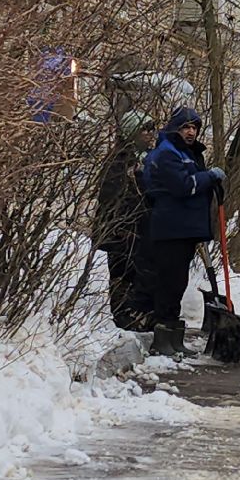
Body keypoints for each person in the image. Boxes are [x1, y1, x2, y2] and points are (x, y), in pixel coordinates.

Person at [136, 105, 227, 356]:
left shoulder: (185, 152)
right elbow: (183, 186)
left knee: (177, 283)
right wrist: (209, 177)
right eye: (186, 127)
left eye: (195, 127)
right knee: (169, 283)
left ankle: (173, 338)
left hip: (184, 228)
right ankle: (164, 337)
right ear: (176, 127)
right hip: (171, 228)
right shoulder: (167, 153)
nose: (191, 132)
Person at [94, 111, 156, 331]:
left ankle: (131, 315)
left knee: (133, 272)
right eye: (144, 129)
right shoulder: (120, 160)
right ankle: (122, 317)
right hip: (121, 232)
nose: (149, 134)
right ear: (132, 132)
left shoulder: (139, 158)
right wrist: (122, 226)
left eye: (151, 129)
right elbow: (111, 197)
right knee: (122, 273)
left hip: (134, 230)